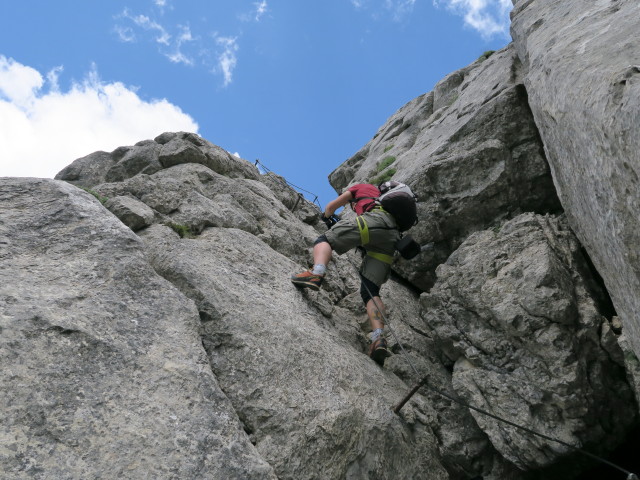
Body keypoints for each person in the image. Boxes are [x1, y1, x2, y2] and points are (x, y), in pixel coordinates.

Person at [291, 183, 401, 366]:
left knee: (325, 240)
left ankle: (316, 273)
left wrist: (327, 218)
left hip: (374, 221)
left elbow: (330, 207)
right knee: (370, 291)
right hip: (392, 237)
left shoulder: (360, 187)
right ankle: (379, 338)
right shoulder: (385, 198)